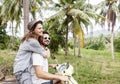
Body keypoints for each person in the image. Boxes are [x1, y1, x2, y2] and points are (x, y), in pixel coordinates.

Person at [13, 20, 49, 84]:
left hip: (21, 69)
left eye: (42, 28)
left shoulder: (30, 39)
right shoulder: (32, 42)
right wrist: (47, 49)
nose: (42, 30)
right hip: (23, 71)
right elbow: (46, 55)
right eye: (39, 28)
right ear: (33, 30)